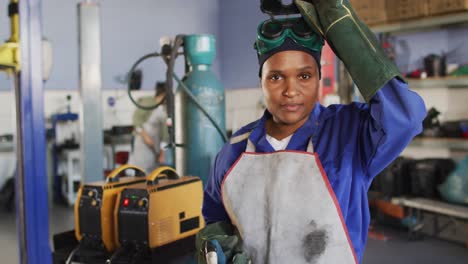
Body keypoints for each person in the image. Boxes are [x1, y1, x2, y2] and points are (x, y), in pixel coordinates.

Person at [196, 1, 426, 263]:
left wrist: (339, 24)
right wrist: (217, 244)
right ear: (260, 80)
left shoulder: (350, 134)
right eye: (276, 77)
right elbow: (217, 219)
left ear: (319, 77)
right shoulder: (234, 151)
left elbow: (406, 116)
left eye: (304, 76)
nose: (290, 91)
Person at [128, 82, 168, 173]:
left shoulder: (165, 109)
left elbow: (165, 134)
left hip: (155, 146)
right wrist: (145, 136)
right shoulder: (147, 102)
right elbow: (136, 121)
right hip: (142, 144)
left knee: (154, 173)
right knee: (141, 172)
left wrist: (163, 152)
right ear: (162, 94)